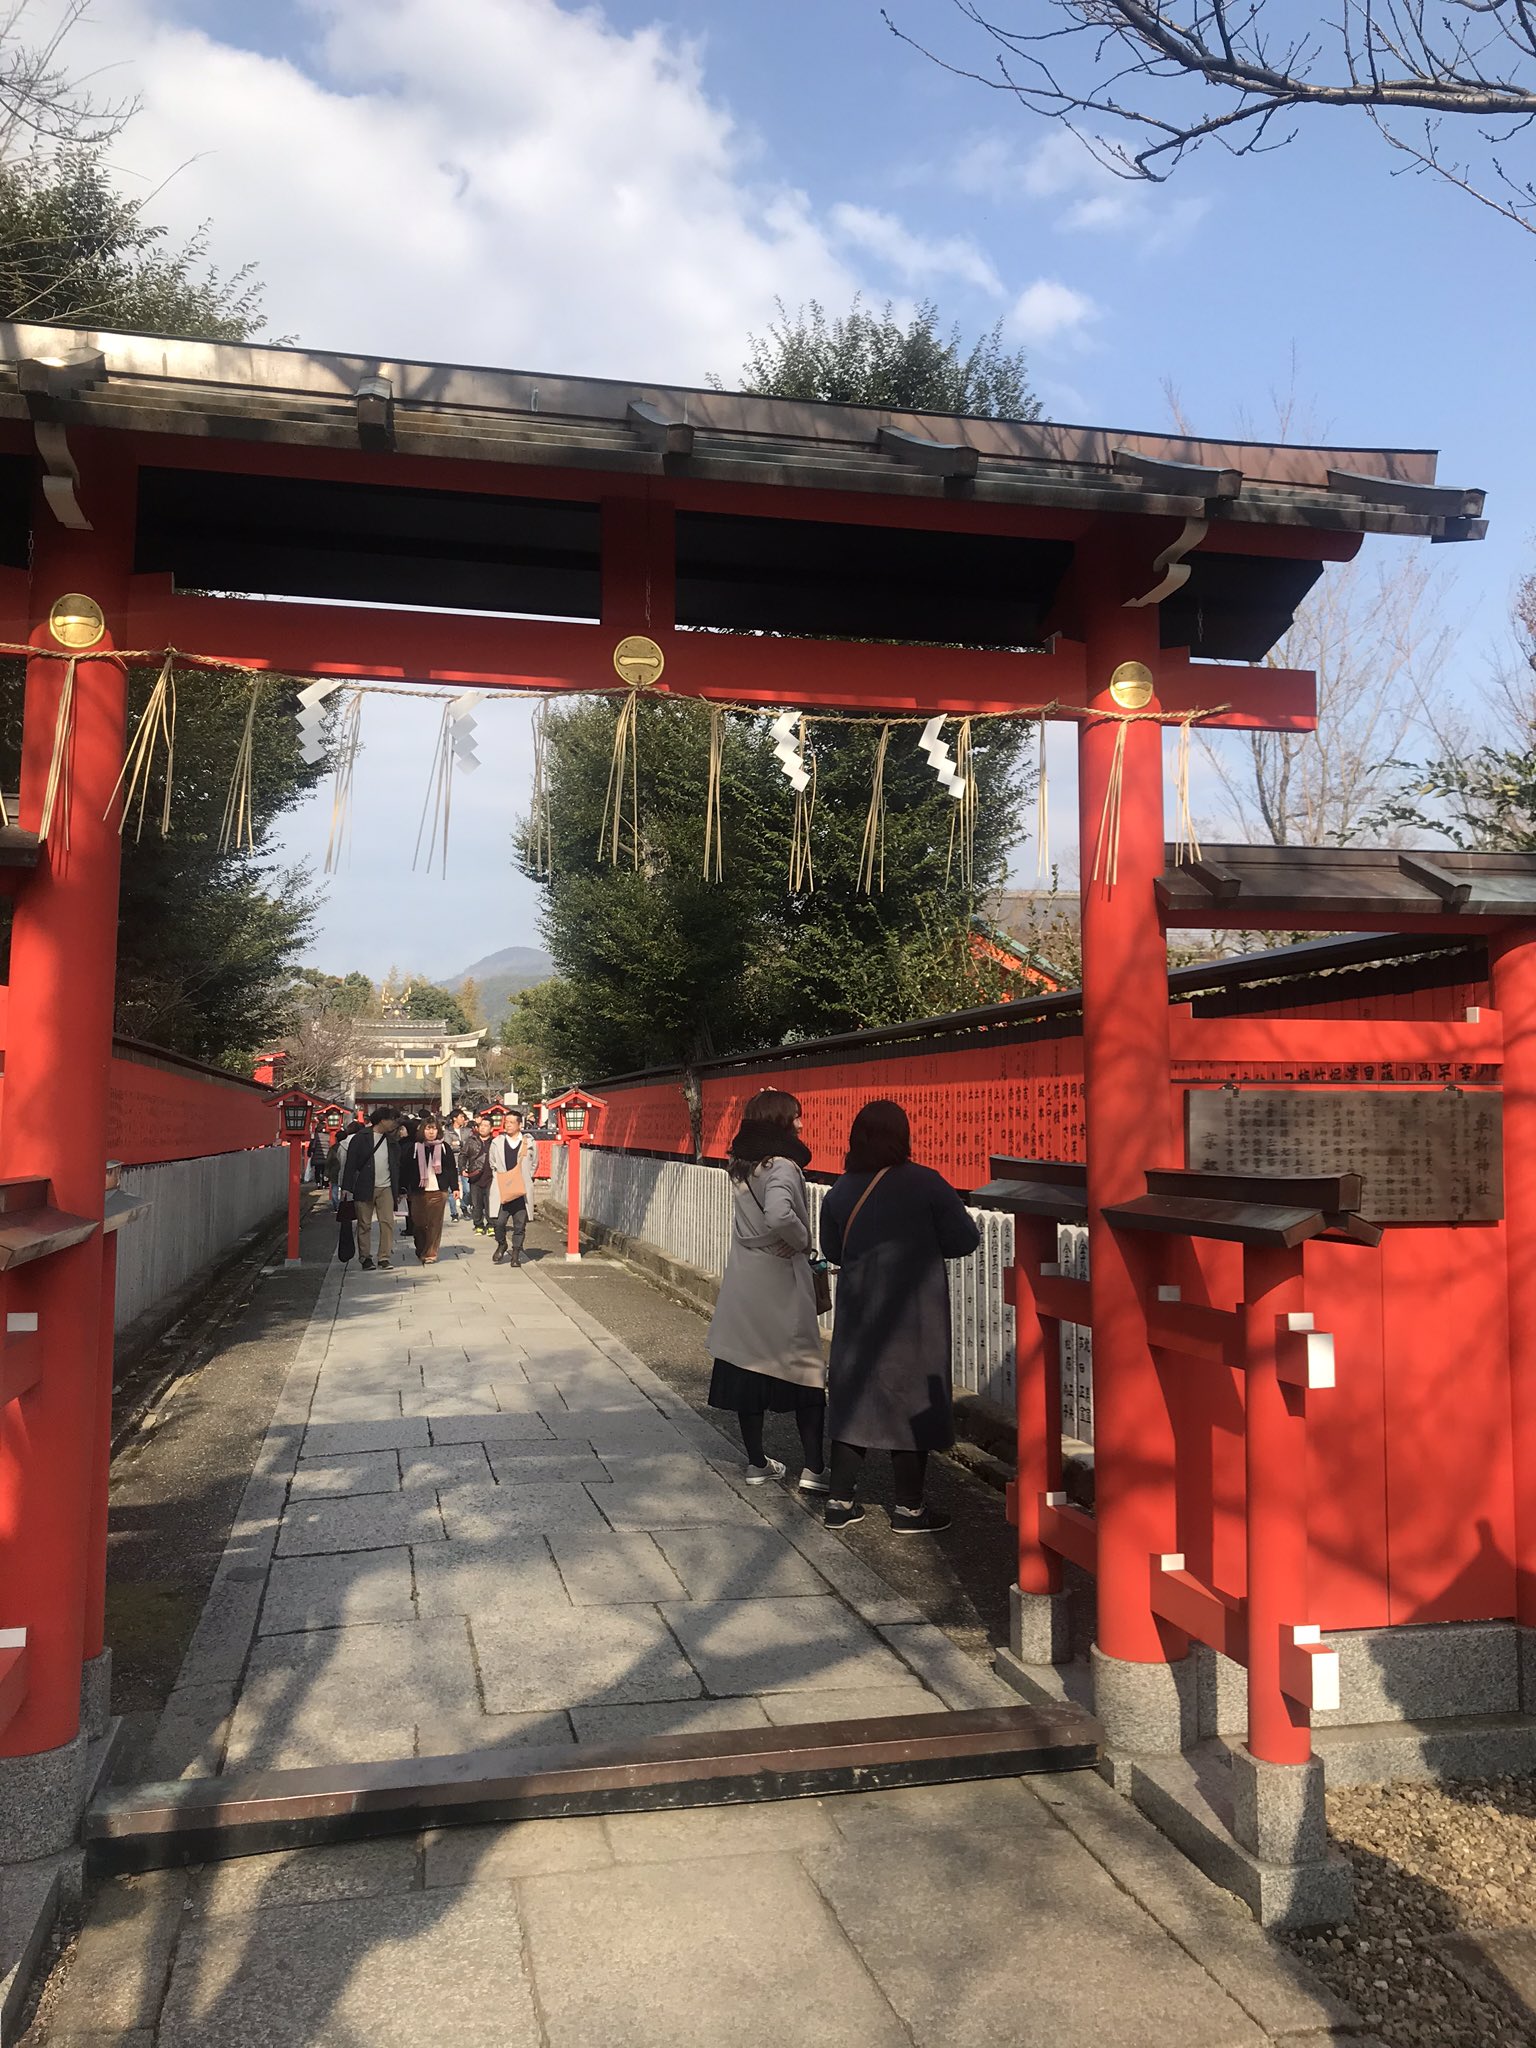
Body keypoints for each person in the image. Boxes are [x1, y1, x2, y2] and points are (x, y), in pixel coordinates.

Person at [818, 1098, 979, 1535]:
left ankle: (839, 1501)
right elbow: (965, 1239)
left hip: (858, 1310)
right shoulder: (926, 1184)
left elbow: (834, 1251)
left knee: (854, 1396)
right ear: (901, 1137)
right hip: (915, 1313)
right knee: (909, 1399)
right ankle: (908, 1510)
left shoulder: (840, 1190)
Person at [703, 1089, 827, 1490]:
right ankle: (815, 1469)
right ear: (779, 1121)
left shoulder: (741, 1165)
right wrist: (802, 1239)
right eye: (796, 1116)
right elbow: (779, 1213)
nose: (801, 1124)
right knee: (804, 1370)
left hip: (745, 1277)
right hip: (779, 1279)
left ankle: (757, 1463)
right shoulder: (783, 1166)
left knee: (747, 1366)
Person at [338, 1106, 403, 1270]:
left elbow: (396, 1165)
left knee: (387, 1222)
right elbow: (350, 1164)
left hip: (386, 1186)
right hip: (364, 1185)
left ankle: (384, 1257)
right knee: (364, 1224)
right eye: (392, 1120)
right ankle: (365, 1257)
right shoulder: (361, 1138)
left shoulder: (391, 1140)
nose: (394, 1124)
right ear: (382, 1120)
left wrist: (400, 1188)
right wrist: (346, 1187)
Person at [401, 1115, 458, 1264]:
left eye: (434, 1129)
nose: (431, 1132)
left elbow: (451, 1169)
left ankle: (431, 1253)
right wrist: (402, 1189)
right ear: (422, 1130)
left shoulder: (444, 1147)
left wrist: (455, 1187)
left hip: (439, 1190)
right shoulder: (415, 1147)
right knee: (419, 1223)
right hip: (418, 1191)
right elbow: (405, 1169)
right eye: (428, 1129)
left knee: (435, 1223)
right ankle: (421, 1248)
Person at [488, 1119, 535, 1266]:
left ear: (519, 1125)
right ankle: (502, 1243)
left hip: (521, 1190)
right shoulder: (497, 1142)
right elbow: (492, 1162)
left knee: (519, 1225)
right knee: (499, 1222)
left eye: (512, 1122)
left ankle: (515, 1254)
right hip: (503, 1188)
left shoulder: (529, 1143)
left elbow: (534, 1163)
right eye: (506, 1122)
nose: (508, 1125)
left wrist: (526, 1177)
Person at [460, 1114, 495, 1235]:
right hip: (475, 1176)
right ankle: (478, 1224)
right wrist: (462, 1168)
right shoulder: (471, 1140)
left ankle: (491, 1224)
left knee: (491, 1202)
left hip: (491, 1176)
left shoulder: (495, 1142)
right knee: (477, 1203)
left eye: (486, 1126)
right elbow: (463, 1155)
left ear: (491, 1129)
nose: (483, 1128)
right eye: (481, 1125)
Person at [447, 1107, 471, 1220]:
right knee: (452, 1190)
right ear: (454, 1118)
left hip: (465, 1162)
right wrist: (460, 1146)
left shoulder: (467, 1131)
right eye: (461, 1117)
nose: (463, 1119)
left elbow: (470, 1144)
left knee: (467, 1189)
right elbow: (448, 1147)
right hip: (452, 1162)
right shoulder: (447, 1131)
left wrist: (459, 1143)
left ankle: (464, 1206)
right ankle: (453, 1213)